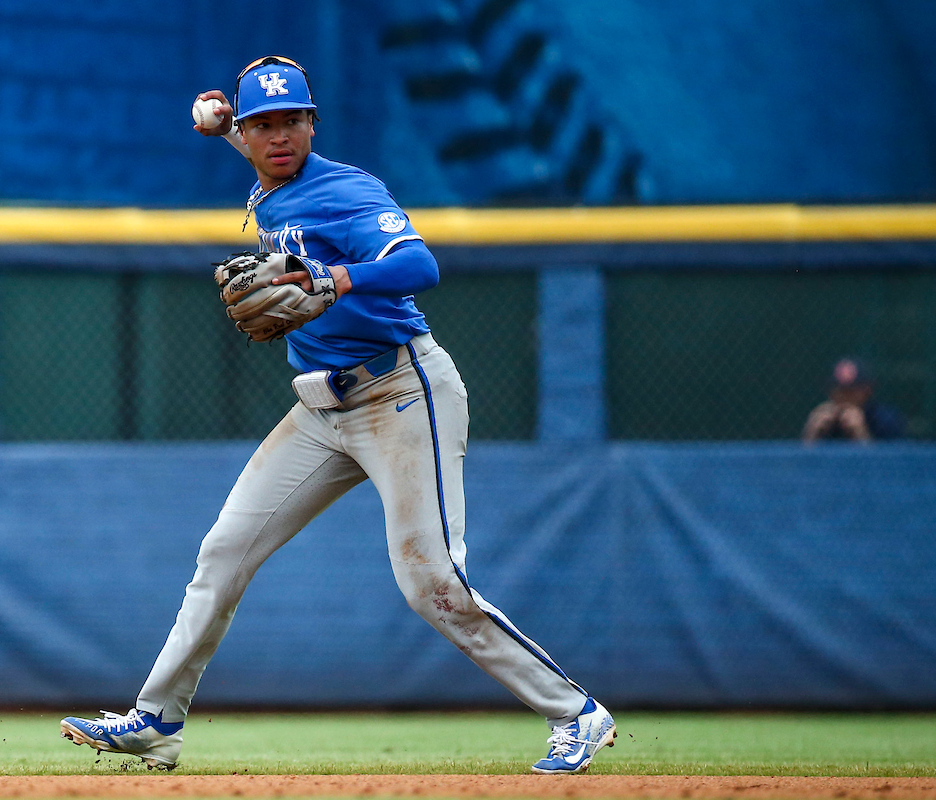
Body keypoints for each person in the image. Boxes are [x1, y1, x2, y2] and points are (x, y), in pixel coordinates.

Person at [59, 56, 615, 775]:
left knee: (432, 582)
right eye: (263, 125)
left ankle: (575, 714)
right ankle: (157, 721)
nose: (278, 136)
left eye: (292, 120)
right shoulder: (268, 178)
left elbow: (420, 264)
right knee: (224, 551)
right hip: (322, 409)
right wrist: (228, 125)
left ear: (313, 123)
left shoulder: (349, 192)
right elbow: (265, 159)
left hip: (401, 392)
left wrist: (336, 275)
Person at [802, 357, 905, 443]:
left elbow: (892, 464)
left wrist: (861, 434)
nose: (844, 396)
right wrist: (811, 434)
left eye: (851, 390)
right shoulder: (824, 420)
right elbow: (801, 463)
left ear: (867, 390)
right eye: (839, 390)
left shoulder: (884, 419)